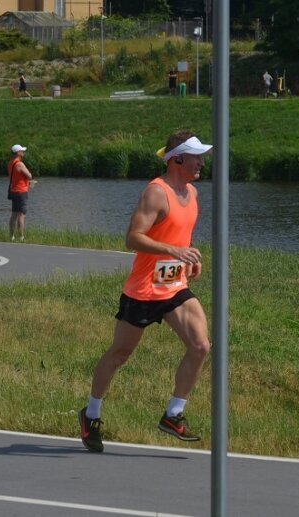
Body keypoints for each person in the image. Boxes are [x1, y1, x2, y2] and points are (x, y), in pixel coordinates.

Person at [78, 130, 213, 453]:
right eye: (196, 156)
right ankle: (91, 414)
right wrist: (174, 251)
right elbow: (133, 238)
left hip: (174, 286)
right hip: (143, 290)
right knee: (120, 354)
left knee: (201, 346)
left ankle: (173, 414)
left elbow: (179, 236)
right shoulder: (156, 192)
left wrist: (189, 256)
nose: (201, 163)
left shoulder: (192, 193)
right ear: (177, 159)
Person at [7, 144, 32, 242]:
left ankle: (11, 236)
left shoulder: (10, 163)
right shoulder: (20, 164)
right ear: (18, 153)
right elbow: (29, 176)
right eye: (22, 150)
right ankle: (21, 237)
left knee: (14, 214)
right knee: (22, 214)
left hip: (13, 190)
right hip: (21, 191)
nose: (23, 152)